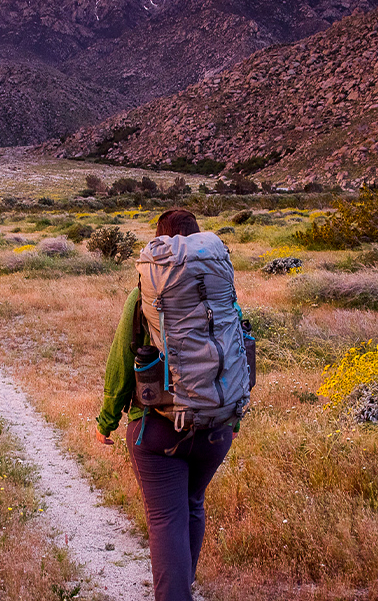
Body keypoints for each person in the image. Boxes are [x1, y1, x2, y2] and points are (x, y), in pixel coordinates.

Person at [93, 208, 241, 601]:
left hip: (158, 428)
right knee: (192, 505)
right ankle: (181, 588)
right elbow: (240, 353)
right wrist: (231, 416)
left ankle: (175, 594)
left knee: (165, 521)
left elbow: (121, 363)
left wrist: (106, 420)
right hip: (215, 426)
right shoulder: (222, 292)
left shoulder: (144, 294)